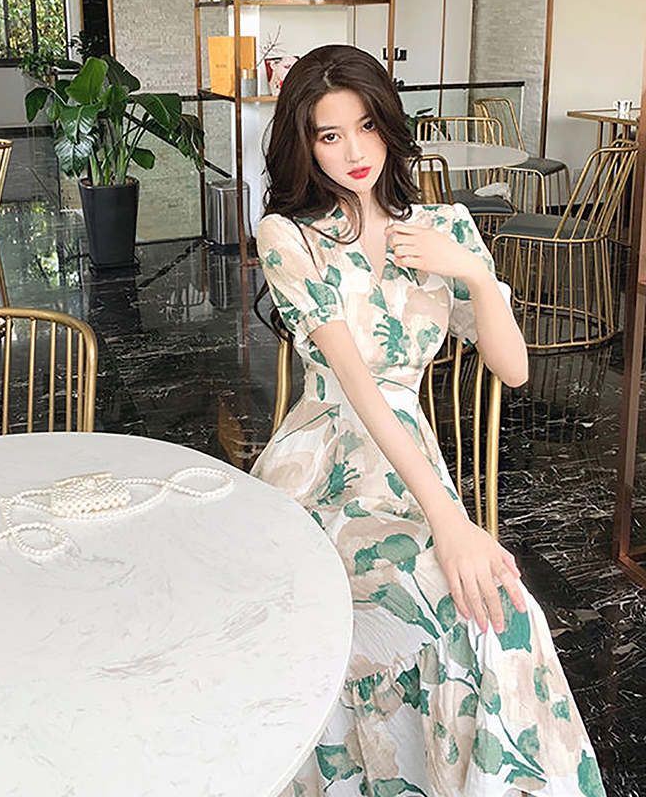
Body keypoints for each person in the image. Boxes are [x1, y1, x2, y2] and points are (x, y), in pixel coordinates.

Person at [252, 44, 605, 797]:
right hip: (325, 467)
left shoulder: (446, 226)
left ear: (388, 124)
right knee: (453, 599)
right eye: (329, 135)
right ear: (305, 143)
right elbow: (356, 384)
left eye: (366, 127)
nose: (354, 152)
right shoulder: (288, 235)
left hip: (410, 463)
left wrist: (471, 269)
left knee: (505, 613)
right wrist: (450, 520)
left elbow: (514, 368)